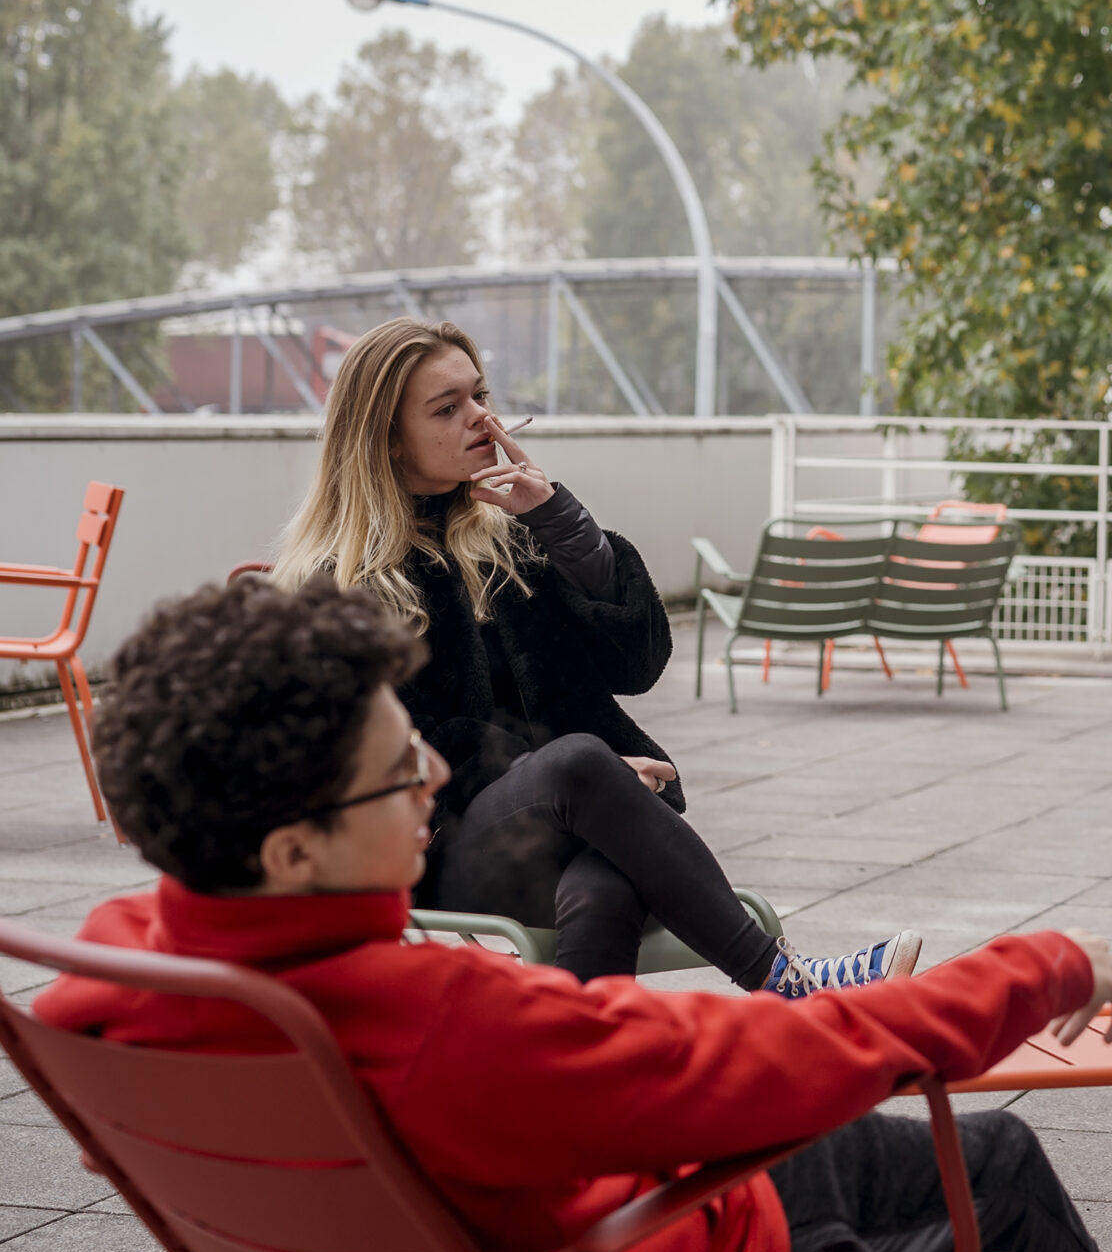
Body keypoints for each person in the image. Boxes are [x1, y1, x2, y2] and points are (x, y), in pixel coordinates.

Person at [43, 577, 1112, 1252]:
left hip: (518, 1202)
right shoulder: (438, 1021)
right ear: (290, 852)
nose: (433, 779)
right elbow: (790, 1052)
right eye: (396, 771)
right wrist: (1042, 965)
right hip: (673, 1235)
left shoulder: (109, 973)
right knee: (998, 1159)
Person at [272, 317, 918, 995]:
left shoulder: (511, 541)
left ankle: (575, 1076)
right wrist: (569, 777)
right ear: (390, 442)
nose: (483, 419)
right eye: (448, 407)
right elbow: (395, 752)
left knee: (606, 884)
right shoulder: (342, 584)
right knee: (581, 763)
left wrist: (559, 519)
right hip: (438, 845)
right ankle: (786, 978)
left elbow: (636, 662)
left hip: (571, 820)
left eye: (481, 395)